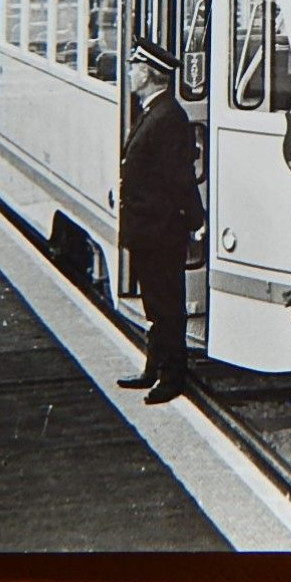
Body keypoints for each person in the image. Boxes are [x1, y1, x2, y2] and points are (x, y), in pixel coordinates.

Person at [116, 39, 203, 406]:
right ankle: (154, 367)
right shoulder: (154, 111)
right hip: (146, 227)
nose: (130, 73)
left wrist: (196, 221)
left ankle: (172, 377)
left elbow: (178, 178)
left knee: (167, 305)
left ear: (151, 75)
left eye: (136, 68)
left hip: (160, 229)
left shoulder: (167, 117)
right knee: (155, 303)